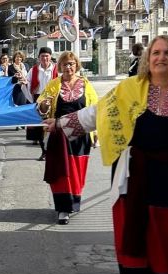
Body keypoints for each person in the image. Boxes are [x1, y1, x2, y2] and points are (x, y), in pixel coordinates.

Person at [43, 35, 168, 274]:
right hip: (133, 180)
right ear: (148, 59)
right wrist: (60, 123)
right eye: (155, 53)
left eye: (167, 53)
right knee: (135, 243)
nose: (160, 58)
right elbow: (97, 113)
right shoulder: (129, 89)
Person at [36, 52, 98, 225]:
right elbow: (41, 104)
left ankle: (73, 202)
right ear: (60, 67)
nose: (68, 67)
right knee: (62, 173)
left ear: (76, 65)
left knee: (77, 172)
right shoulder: (54, 84)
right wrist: (44, 105)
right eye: (65, 64)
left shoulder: (86, 84)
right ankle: (63, 208)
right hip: (59, 136)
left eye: (71, 64)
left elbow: (94, 109)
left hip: (81, 135)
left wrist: (96, 135)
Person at [26, 47, 59, 161]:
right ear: (39, 58)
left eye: (47, 56)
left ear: (50, 57)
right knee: (41, 126)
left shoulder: (56, 69)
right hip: (39, 99)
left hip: (54, 99)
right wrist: (24, 83)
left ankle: (54, 151)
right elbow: (28, 83)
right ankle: (44, 152)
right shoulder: (33, 70)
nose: (45, 58)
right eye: (42, 56)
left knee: (54, 126)